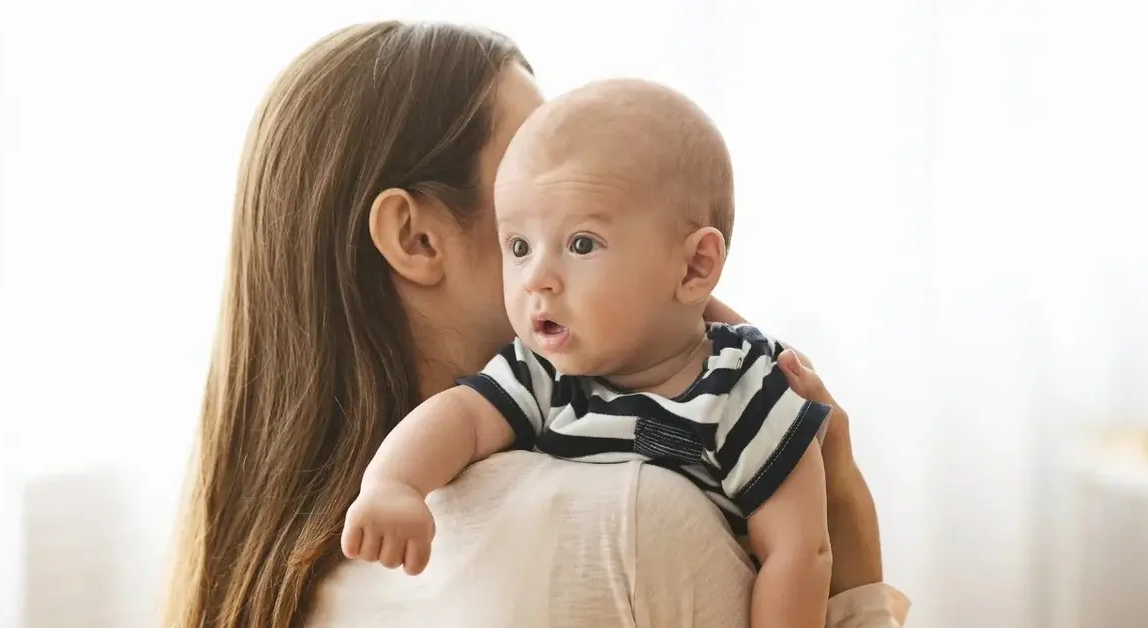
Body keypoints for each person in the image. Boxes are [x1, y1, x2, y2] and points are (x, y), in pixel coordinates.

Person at [162, 20, 909, 628]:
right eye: (523, 214)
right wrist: (845, 513)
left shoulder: (278, 561)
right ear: (417, 240)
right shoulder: (633, 521)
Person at [341, 77, 833, 626]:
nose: (537, 279)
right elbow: (459, 419)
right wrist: (393, 484)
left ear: (695, 266)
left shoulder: (743, 384)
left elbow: (798, 553)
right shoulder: (544, 372)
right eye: (519, 247)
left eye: (581, 244)